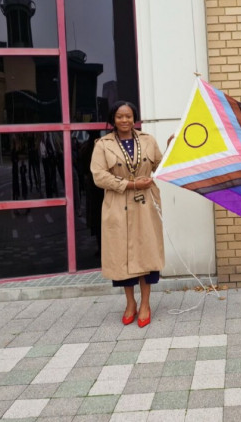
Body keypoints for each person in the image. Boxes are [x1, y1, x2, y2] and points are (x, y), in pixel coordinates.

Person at [90, 101, 164, 328]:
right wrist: (131, 184)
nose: (125, 121)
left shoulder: (148, 140)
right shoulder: (103, 145)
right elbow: (99, 176)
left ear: (135, 118)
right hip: (118, 204)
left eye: (129, 116)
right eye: (120, 117)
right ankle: (130, 302)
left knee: (146, 254)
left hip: (145, 206)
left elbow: (161, 166)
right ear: (113, 119)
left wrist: (173, 149)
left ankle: (146, 304)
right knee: (122, 257)